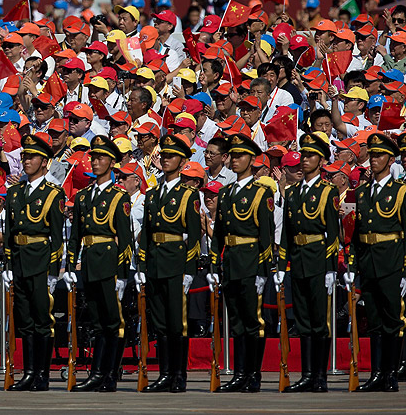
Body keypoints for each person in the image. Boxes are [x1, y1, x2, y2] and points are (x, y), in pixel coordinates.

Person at [206, 133, 274, 393]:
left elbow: (266, 236)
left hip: (251, 262)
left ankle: (253, 375)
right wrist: (214, 265)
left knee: (252, 321)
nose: (235, 160)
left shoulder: (260, 193)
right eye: (232, 156)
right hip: (232, 263)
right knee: (235, 322)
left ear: (252, 160)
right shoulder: (225, 193)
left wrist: (263, 270)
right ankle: (239, 373)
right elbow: (219, 236)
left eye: (241, 156)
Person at [64, 135, 133, 392]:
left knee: (111, 321)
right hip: (90, 262)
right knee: (97, 322)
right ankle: (98, 373)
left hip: (109, 263)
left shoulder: (119, 197)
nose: (94, 161)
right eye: (93, 157)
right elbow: (76, 236)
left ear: (112, 162)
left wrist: (123, 275)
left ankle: (107, 374)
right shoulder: (83, 198)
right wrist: (71, 266)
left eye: (100, 157)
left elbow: (125, 240)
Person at [273, 132, 339, 393]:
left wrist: (331, 267)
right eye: (303, 155)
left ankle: (320, 376)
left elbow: (333, 233)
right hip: (298, 262)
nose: (304, 160)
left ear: (321, 161)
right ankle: (307, 374)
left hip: (318, 260)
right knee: (302, 321)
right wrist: (281, 266)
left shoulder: (327, 191)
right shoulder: (293, 192)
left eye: (310, 155)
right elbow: (287, 234)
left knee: (319, 322)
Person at [135, 133, 201, 393]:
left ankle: (178, 374)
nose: (165, 160)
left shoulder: (188, 195)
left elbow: (194, 236)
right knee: (160, 322)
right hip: (155, 264)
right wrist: (142, 267)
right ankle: (164, 374)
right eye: (162, 156)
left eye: (171, 156)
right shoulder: (152, 195)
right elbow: (147, 235)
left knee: (177, 323)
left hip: (176, 263)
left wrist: (188, 270)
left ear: (183, 161)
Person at [3, 133, 65, 391]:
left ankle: (42, 374)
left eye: (32, 157)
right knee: (25, 319)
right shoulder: (15, 192)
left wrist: (52, 271)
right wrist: (8, 265)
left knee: (42, 319)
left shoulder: (53, 193)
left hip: (40, 261)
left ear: (44, 162)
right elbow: (9, 233)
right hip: (19, 260)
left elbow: (56, 236)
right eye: (24, 156)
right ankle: (28, 372)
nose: (26, 161)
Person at [345, 132, 406, 391]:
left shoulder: (400, 192)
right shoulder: (362, 193)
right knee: (375, 321)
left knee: (392, 320)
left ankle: (390, 374)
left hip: (391, 263)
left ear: (390, 160)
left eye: (379, 155)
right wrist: (353, 267)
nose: (374, 160)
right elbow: (358, 234)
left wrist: (405, 271)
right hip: (369, 263)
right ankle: (377, 374)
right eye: (371, 155)